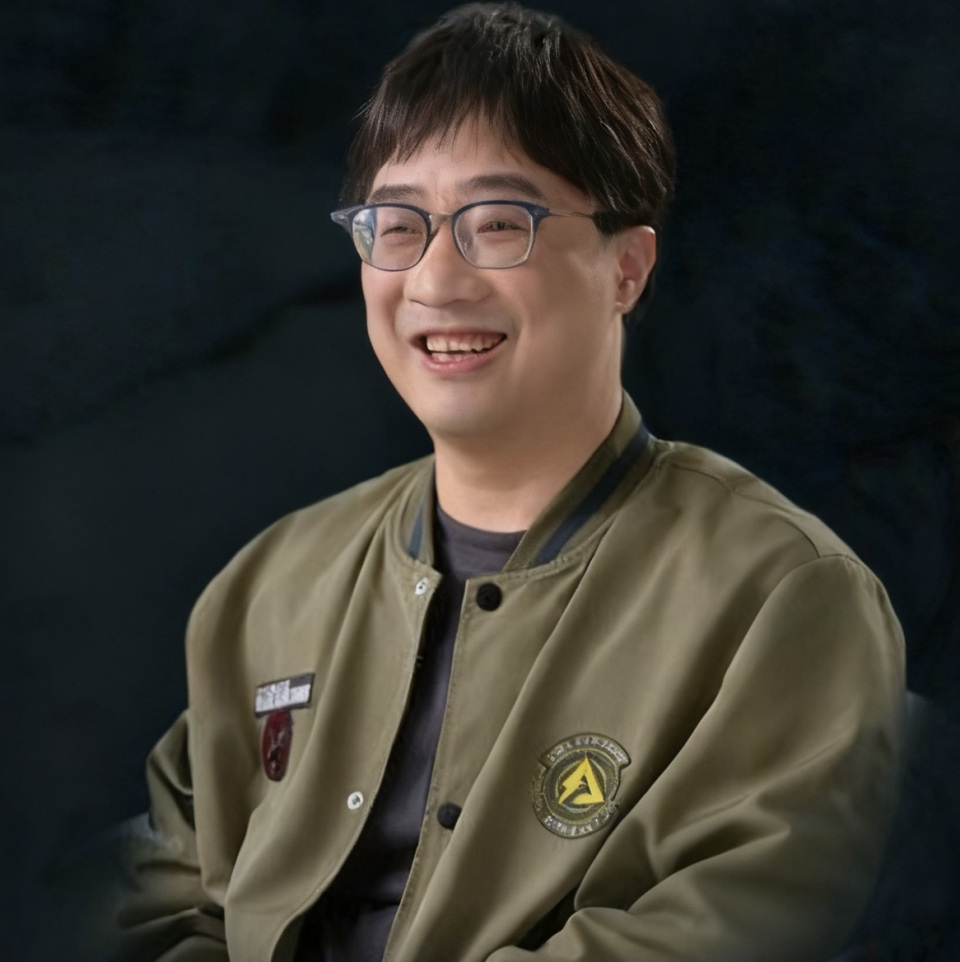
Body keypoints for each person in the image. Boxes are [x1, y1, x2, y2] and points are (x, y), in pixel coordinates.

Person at [113, 4, 905, 961]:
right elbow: (156, 892)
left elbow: (728, 928)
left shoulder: (782, 597)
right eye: (396, 225)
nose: (435, 282)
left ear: (627, 267)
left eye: (498, 224)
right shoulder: (270, 584)